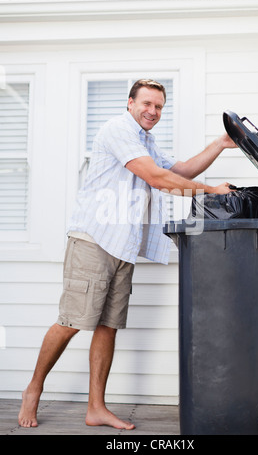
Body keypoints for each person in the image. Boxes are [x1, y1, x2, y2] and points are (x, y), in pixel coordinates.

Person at [18, 79, 236, 429]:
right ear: (131, 103)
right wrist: (211, 190)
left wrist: (221, 144)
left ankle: (96, 408)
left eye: (160, 106)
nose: (153, 111)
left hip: (122, 244)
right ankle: (33, 389)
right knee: (72, 321)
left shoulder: (144, 139)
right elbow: (156, 178)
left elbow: (179, 171)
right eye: (147, 103)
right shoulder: (118, 130)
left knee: (107, 327)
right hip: (93, 239)